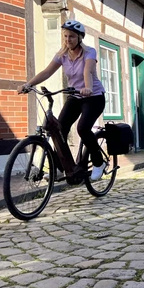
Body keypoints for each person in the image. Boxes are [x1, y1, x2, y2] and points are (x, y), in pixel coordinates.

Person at [17, 20, 107, 181]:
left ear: (80, 37)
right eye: (65, 36)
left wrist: (88, 87)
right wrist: (28, 84)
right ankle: (59, 168)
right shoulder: (62, 55)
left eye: (71, 36)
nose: (67, 39)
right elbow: (47, 72)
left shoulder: (89, 53)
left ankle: (99, 163)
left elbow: (88, 70)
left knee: (83, 128)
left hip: (93, 97)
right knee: (58, 130)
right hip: (75, 96)